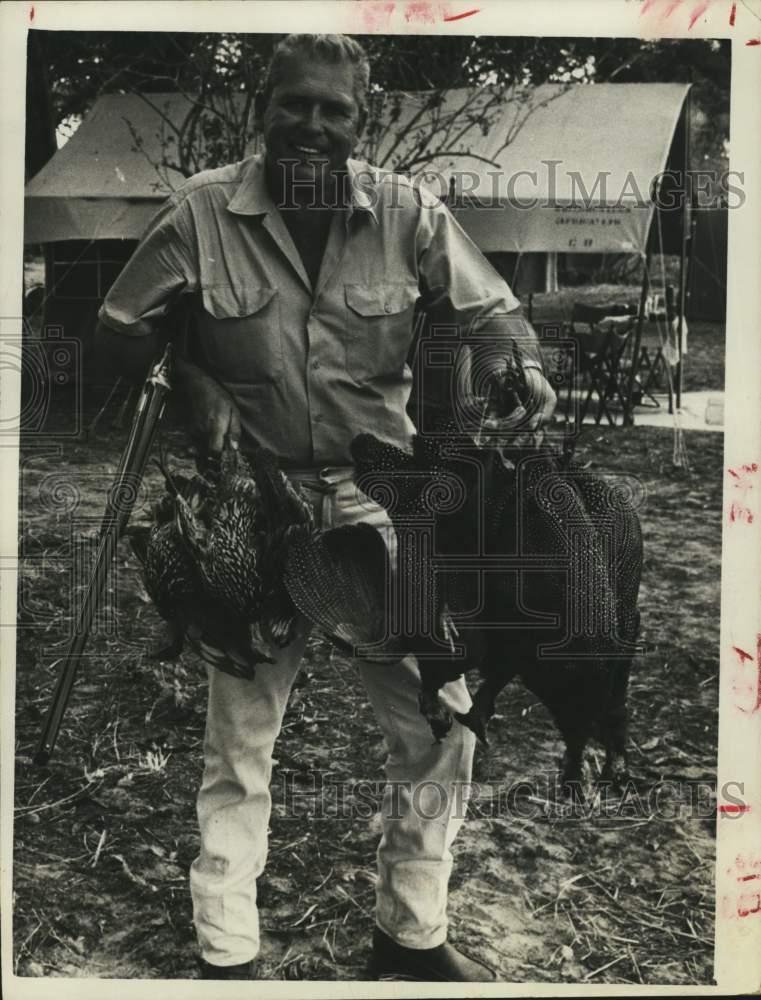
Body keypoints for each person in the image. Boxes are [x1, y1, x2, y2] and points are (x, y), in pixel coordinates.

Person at [96, 33, 556, 981]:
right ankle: (228, 950)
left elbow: (487, 310)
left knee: (439, 722)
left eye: (333, 110)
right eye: (293, 103)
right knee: (240, 736)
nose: (311, 125)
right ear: (262, 106)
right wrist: (183, 371)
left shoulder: (406, 212)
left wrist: (523, 365)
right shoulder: (198, 214)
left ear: (363, 119)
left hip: (376, 502)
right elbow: (114, 330)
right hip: (246, 507)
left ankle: (410, 933)